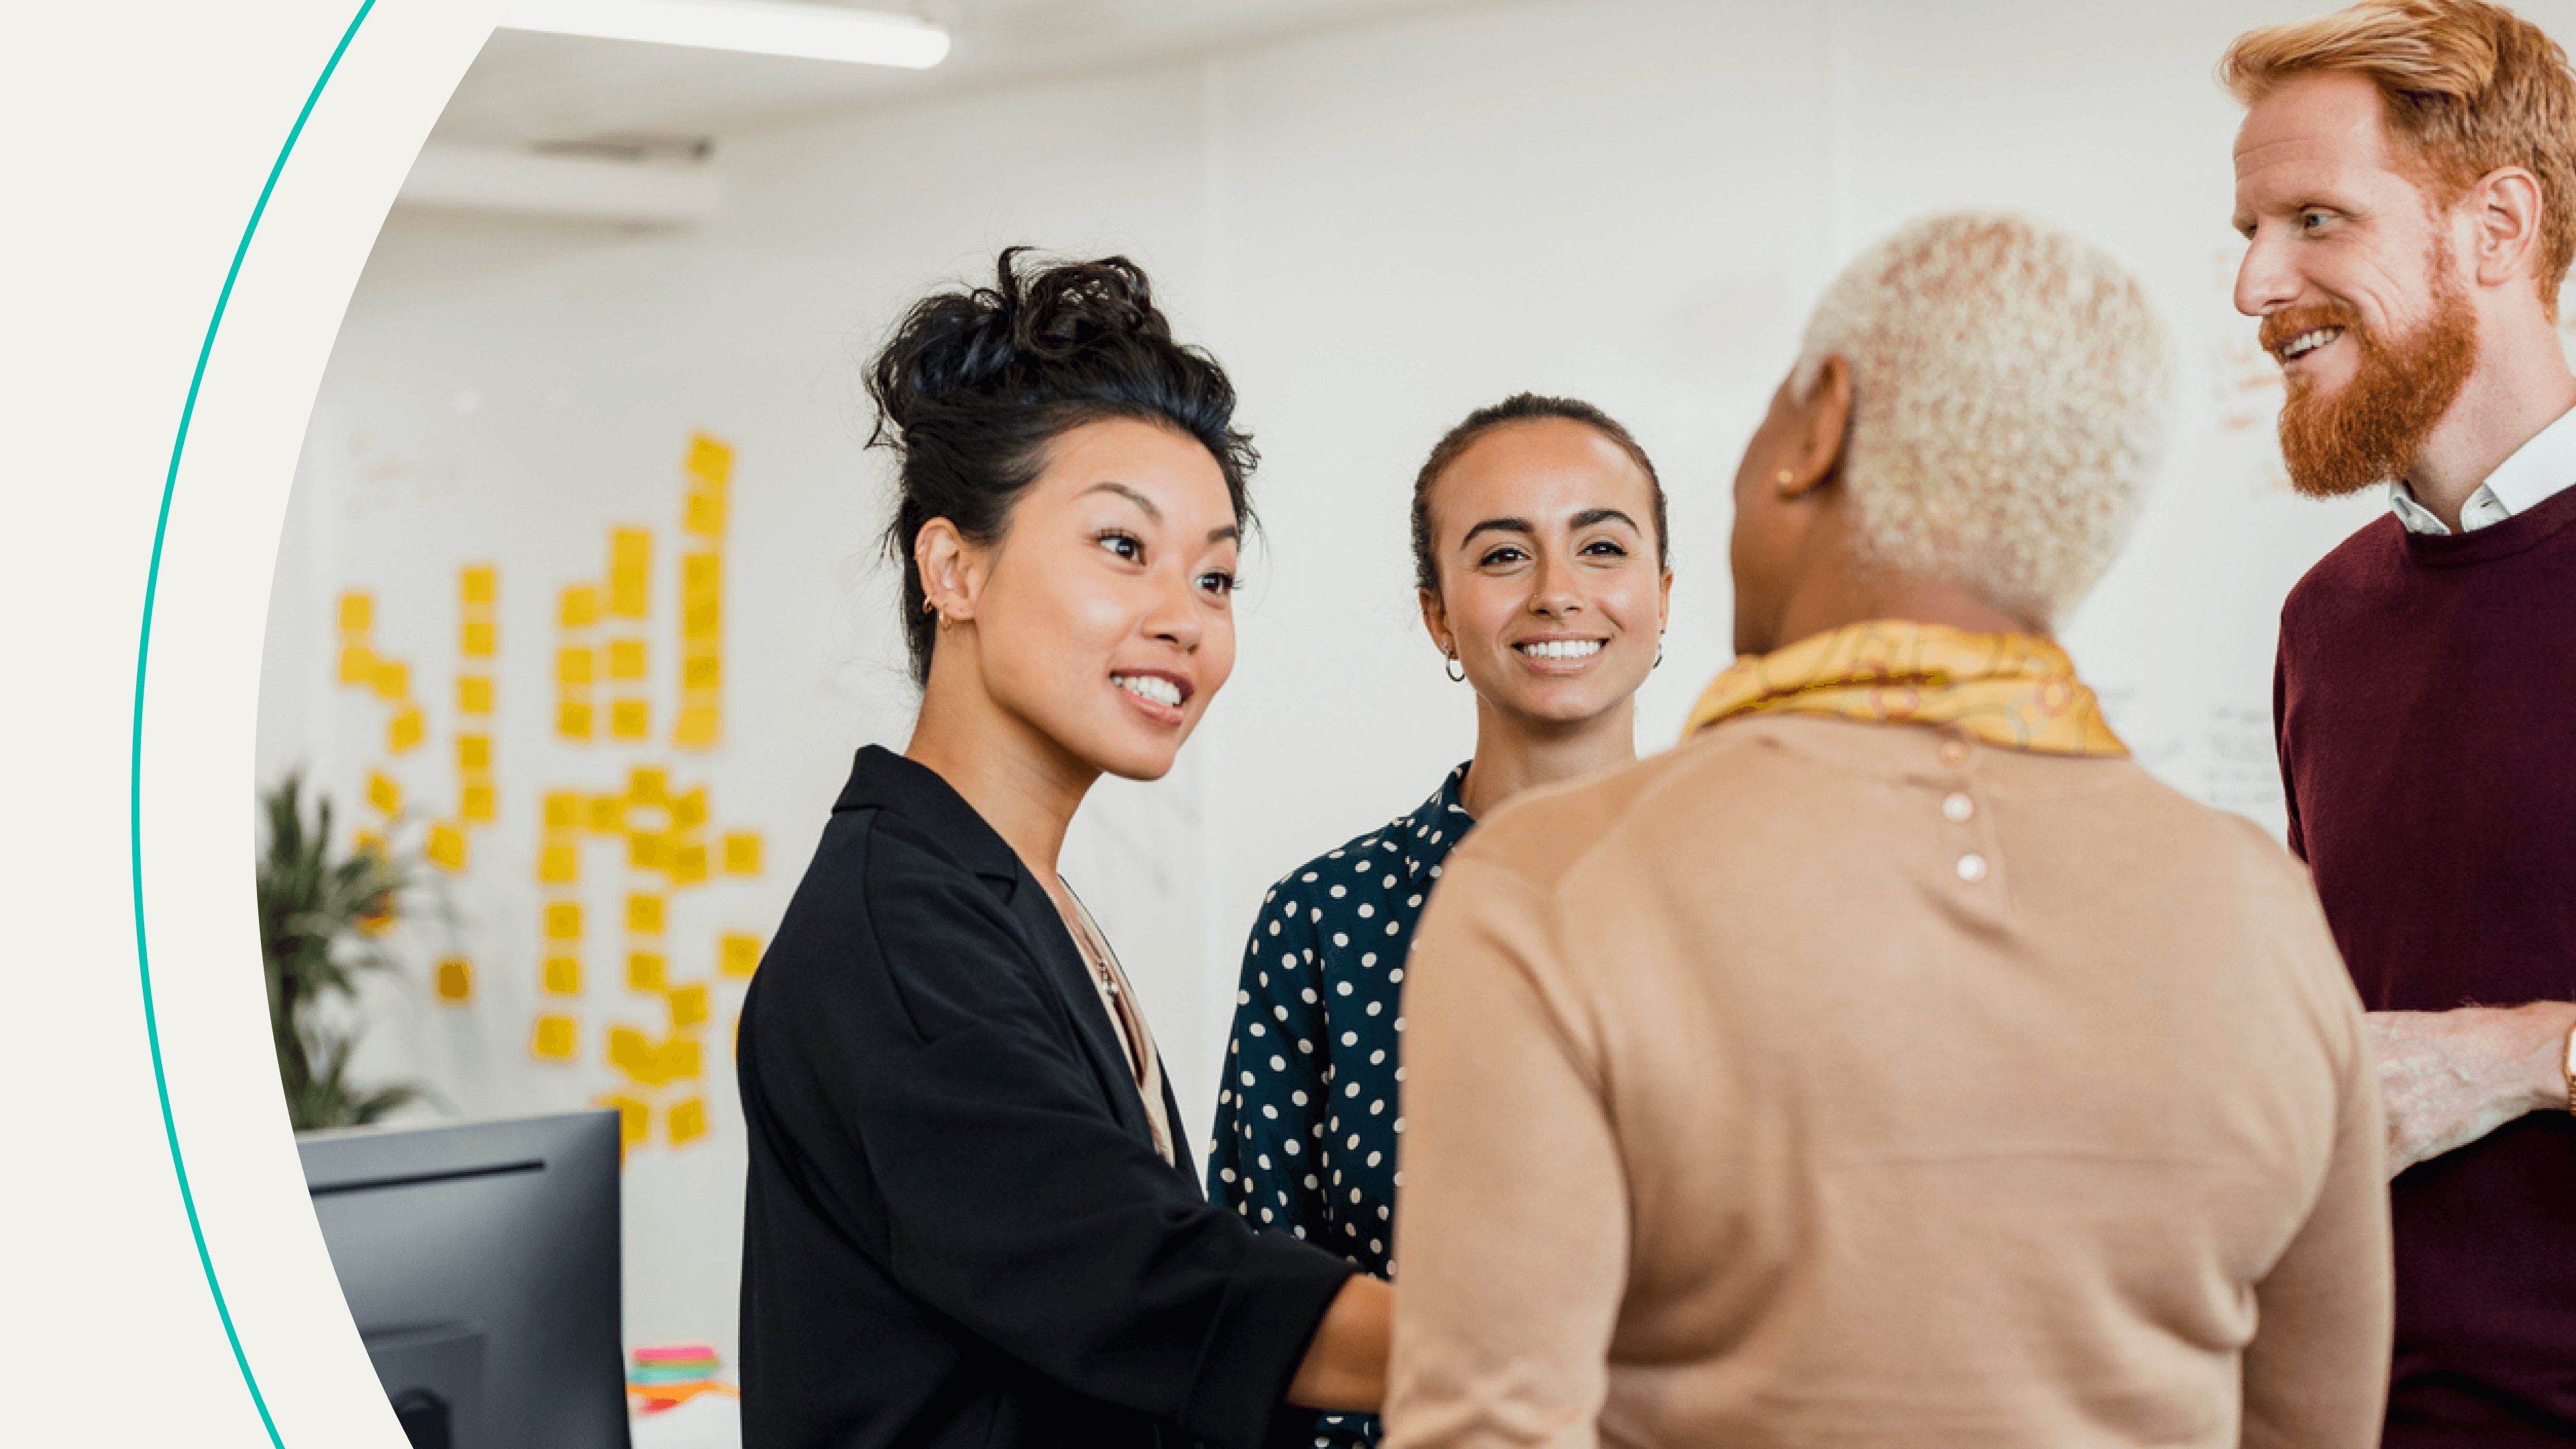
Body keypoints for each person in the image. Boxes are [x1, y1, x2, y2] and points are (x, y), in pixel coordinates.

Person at [1381, 213, 2393, 1448]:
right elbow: (2316, 1426)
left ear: (1818, 426)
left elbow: (1486, 1430)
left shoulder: (1551, 884)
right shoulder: (2264, 914)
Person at [736, 250, 1388, 1449]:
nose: (1184, 618)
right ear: (954, 568)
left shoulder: (1009, 893)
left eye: (1216, 576)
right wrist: (1554, 1341)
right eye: (1122, 547)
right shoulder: (898, 937)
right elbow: (1144, 1280)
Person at [2224, 3, 2576, 1440]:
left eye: (2315, 219)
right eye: (2250, 231)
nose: (2256, 285)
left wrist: (2525, 1058)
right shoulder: (2326, 620)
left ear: (2496, 228)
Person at [1206, 394, 1672, 1448]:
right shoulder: (1322, 920)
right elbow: (1254, 1309)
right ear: (1438, 616)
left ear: (1662, 595)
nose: (1558, 592)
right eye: (1503, 556)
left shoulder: (1759, 893)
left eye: (1602, 547)